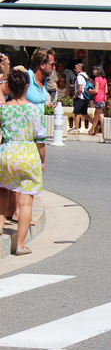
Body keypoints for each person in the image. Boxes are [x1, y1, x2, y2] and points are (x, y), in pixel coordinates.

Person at [0, 67, 47, 255]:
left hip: (6, 153)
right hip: (28, 154)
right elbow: (41, 140)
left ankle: (0, 228)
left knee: (2, 191)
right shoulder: (34, 110)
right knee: (26, 201)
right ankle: (20, 245)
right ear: (27, 86)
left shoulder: (2, 110)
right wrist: (43, 161)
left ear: (9, 87)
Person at [72, 63, 93, 132]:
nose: (75, 69)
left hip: (80, 97)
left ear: (80, 69)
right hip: (86, 97)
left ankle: (76, 129)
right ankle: (95, 124)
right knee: (84, 113)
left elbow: (80, 88)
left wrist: (75, 96)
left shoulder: (79, 77)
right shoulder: (86, 75)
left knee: (77, 113)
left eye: (76, 68)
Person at [88, 65, 107, 135]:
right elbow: (106, 90)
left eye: (94, 70)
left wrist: (90, 91)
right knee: (96, 115)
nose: (93, 71)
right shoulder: (104, 79)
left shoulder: (97, 79)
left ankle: (104, 130)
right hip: (103, 97)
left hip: (98, 98)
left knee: (101, 114)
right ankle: (92, 130)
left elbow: (95, 90)